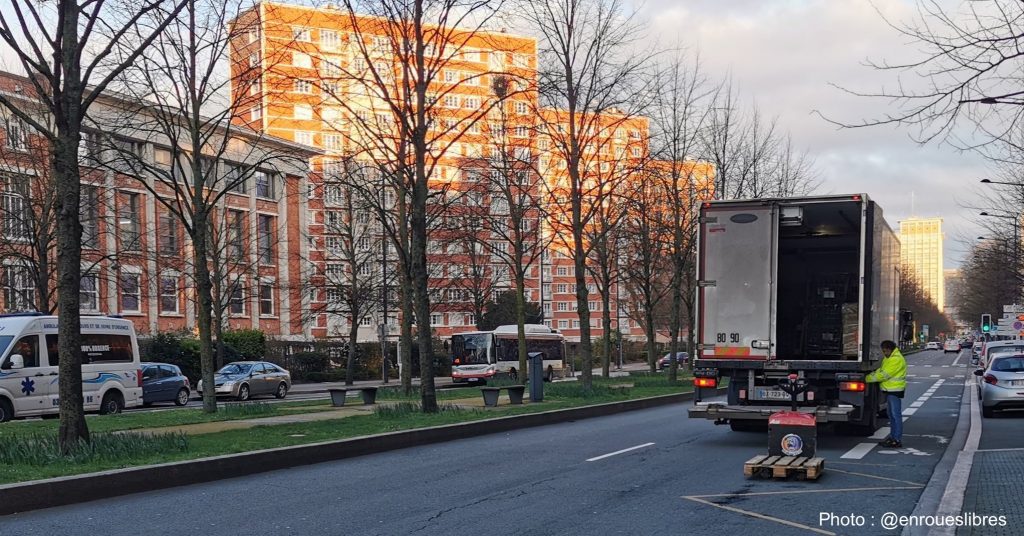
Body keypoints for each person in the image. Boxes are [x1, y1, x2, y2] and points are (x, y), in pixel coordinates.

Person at [866, 340, 907, 448]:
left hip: (894, 390)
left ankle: (896, 439)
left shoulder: (896, 359)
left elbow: (884, 375)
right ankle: (893, 437)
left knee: (895, 415)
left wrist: (867, 378)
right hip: (890, 390)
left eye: (885, 351)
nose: (884, 353)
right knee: (892, 415)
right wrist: (872, 374)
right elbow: (881, 370)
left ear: (890, 349)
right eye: (883, 351)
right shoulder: (889, 358)